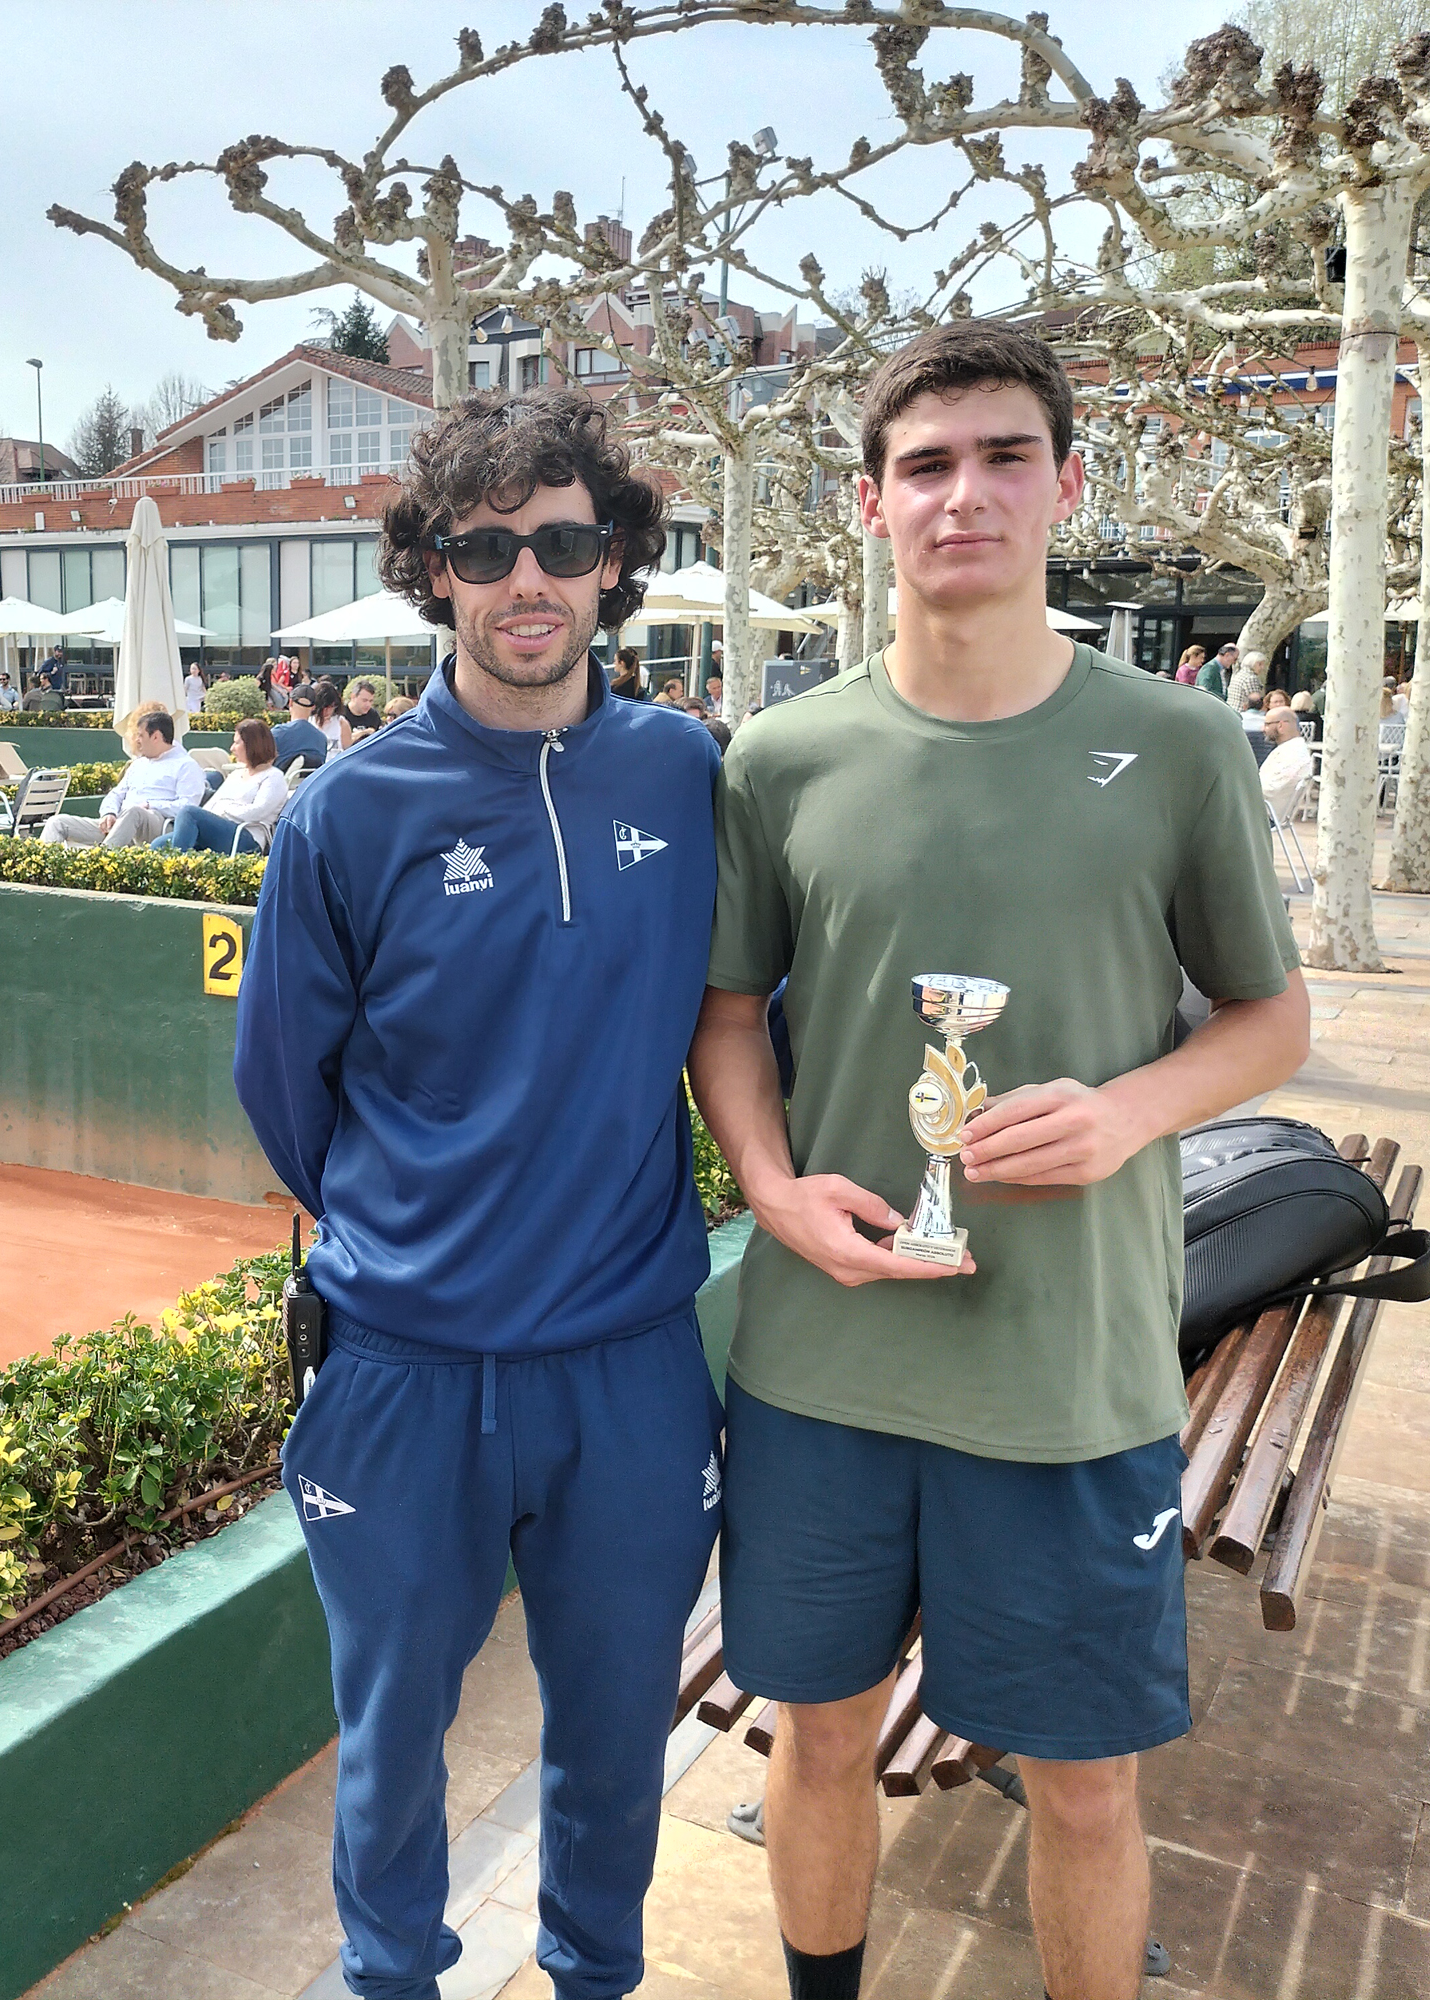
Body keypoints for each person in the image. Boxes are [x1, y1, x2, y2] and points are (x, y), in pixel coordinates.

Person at [690, 320, 1309, 2000]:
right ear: (872, 504)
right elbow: (728, 1019)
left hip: (1068, 1378)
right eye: (927, 465)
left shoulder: (1180, 746)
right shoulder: (780, 759)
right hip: (824, 1367)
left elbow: (1272, 1022)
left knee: (1089, 1787)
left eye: (1004, 457)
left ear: (1066, 486)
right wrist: (770, 1186)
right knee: (819, 1744)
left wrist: (1131, 1111)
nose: (964, 494)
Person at [235, 384, 723, 2000]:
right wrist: (424, 1239)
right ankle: (391, 1981)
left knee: (617, 1737)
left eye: (564, 544)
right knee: (389, 1740)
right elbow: (284, 1092)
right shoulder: (345, 813)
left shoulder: (686, 776)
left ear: (613, 562)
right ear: (433, 569)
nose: (529, 579)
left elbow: (748, 1028)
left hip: (630, 1371)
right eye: (487, 547)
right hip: (403, 1376)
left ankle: (593, 1975)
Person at [40, 709, 204, 847]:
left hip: (156, 827)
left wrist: (151, 805)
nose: (137, 740)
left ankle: (103, 862)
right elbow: (116, 793)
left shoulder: (186, 766)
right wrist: (109, 812)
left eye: (140, 735)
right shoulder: (138, 764)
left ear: (156, 737)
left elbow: (188, 808)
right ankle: (43, 870)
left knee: (134, 812)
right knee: (57, 823)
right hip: (120, 824)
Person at [150, 716, 287, 853]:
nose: (232, 748)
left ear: (252, 745)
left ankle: (178, 863)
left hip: (247, 837)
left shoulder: (273, 777)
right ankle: (180, 860)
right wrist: (219, 811)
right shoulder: (236, 774)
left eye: (237, 743)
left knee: (188, 812)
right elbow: (212, 806)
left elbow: (257, 812)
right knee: (158, 845)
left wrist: (225, 809)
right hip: (220, 831)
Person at [1259, 702, 1315, 824]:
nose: (1262, 729)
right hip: (1263, 812)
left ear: (1281, 726)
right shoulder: (1291, 749)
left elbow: (1269, 789)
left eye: (1267, 724)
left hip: (1263, 817)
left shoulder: (1292, 754)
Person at [271, 686, 330, 775]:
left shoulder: (277, 733)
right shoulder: (322, 739)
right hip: (310, 783)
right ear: (313, 707)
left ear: (290, 702)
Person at [341, 677, 384, 744]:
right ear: (353, 697)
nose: (368, 704)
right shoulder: (341, 714)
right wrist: (364, 732)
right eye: (364, 700)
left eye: (371, 701)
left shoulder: (373, 715)